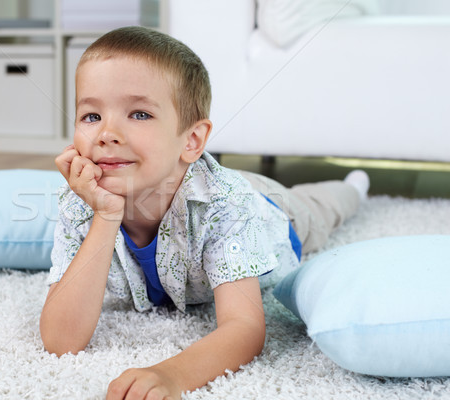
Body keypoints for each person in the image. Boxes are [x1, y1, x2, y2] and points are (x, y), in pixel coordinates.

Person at [39, 26, 369, 400]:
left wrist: (172, 375)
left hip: (273, 210)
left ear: (192, 139)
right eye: (91, 116)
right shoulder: (82, 201)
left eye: (140, 114)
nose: (107, 133)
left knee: (326, 206)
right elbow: (60, 340)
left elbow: (245, 327)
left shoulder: (229, 204)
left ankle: (354, 186)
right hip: (192, 178)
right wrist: (106, 215)